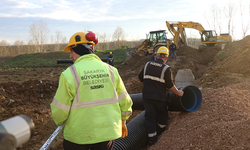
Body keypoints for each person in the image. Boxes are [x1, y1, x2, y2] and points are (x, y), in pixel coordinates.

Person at [50, 31, 133, 150]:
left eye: (71, 51)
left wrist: (60, 121)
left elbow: (59, 112)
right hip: (106, 136)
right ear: (92, 47)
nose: (70, 56)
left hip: (78, 138)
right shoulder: (111, 71)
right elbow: (125, 101)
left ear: (76, 50)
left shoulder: (69, 74)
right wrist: (123, 120)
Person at [138, 46, 184, 146]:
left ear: (157, 55)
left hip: (147, 97)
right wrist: (179, 93)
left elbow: (140, 77)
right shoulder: (166, 68)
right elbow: (170, 85)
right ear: (166, 57)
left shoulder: (147, 64)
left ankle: (152, 140)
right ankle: (161, 134)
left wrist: (147, 86)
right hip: (160, 98)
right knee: (163, 116)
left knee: (150, 117)